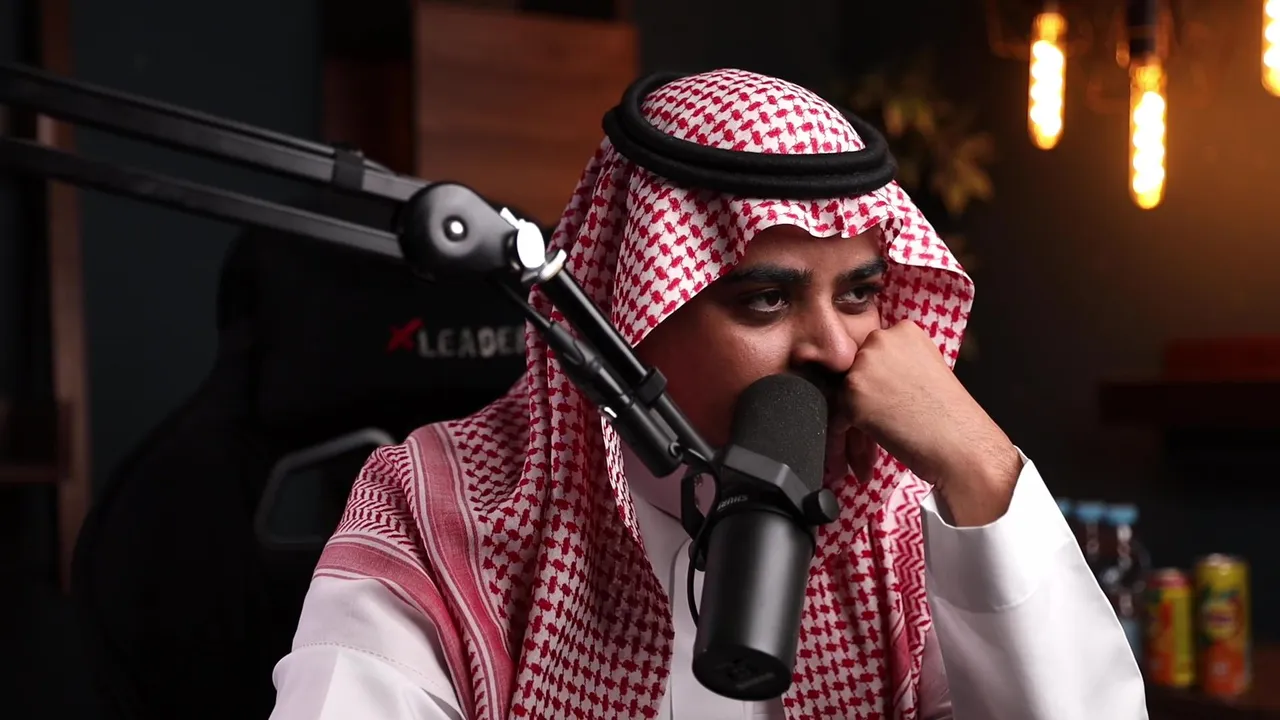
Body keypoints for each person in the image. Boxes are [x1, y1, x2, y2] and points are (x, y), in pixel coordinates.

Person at [269, 69, 1148, 719]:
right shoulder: (437, 504)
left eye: (858, 294)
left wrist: (980, 463)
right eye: (766, 299)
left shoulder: (905, 525)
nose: (837, 349)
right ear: (635, 310)